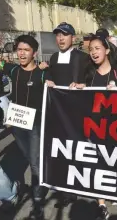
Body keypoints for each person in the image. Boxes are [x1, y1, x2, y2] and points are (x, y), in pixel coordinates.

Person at [0, 35, 52, 220]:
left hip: (36, 124)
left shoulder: (43, 73)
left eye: (26, 50)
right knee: (29, 157)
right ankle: (39, 179)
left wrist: (52, 82)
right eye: (19, 49)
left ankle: (38, 200)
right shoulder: (12, 70)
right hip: (18, 124)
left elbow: (59, 85)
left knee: (34, 163)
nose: (22, 53)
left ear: (34, 53)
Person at [68, 35, 117, 220]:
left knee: (113, 161)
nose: (93, 52)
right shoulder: (88, 73)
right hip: (94, 126)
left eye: (97, 48)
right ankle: (101, 204)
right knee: (97, 162)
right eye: (91, 49)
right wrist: (77, 88)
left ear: (107, 50)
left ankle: (114, 191)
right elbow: (84, 95)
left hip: (116, 127)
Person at [40, 22, 89, 208]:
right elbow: (49, 79)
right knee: (61, 152)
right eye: (58, 35)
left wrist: (85, 86)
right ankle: (65, 190)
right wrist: (46, 77)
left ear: (73, 38)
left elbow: (93, 77)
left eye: (65, 35)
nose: (60, 38)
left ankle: (81, 187)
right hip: (58, 114)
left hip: (78, 114)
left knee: (77, 152)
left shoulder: (83, 58)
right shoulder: (52, 58)